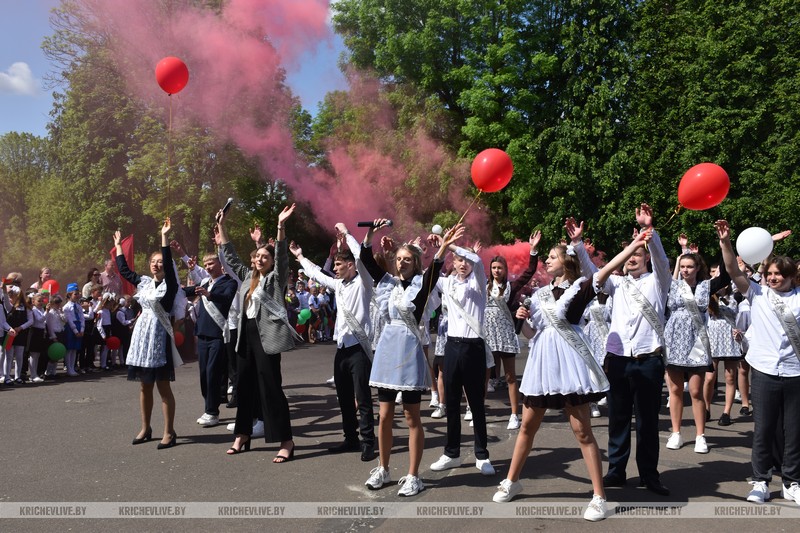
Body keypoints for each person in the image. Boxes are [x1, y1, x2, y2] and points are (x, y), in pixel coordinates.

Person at [493, 224, 652, 522]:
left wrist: (634, 244)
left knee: (582, 432)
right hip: (542, 365)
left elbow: (611, 266)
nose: (546, 262)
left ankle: (598, 496)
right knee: (527, 426)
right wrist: (521, 319)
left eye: (551, 257)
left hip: (570, 366)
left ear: (565, 262)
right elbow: (532, 334)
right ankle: (512, 481)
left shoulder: (581, 286)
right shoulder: (539, 295)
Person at [359, 220, 464, 496]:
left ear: (415, 264)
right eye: (399, 259)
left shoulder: (422, 284)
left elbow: (437, 267)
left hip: (408, 350)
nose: (402, 263)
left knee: (411, 416)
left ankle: (413, 475)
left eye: (407, 259)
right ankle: (383, 468)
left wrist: (443, 246)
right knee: (383, 416)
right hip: (386, 350)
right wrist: (371, 233)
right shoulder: (386, 285)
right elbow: (366, 258)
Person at [716, 220, 800, 505]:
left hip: (795, 373)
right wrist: (726, 243)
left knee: (793, 431)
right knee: (763, 429)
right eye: (771, 273)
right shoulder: (758, 293)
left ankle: (791, 482)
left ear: (791, 277)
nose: (773, 278)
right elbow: (731, 270)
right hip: (764, 371)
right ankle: (761, 481)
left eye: (780, 274)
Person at [597, 204, 672, 496]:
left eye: (637, 254)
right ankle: (616, 471)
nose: (632, 258)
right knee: (617, 420)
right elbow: (595, 275)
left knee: (647, 423)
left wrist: (647, 234)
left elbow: (663, 262)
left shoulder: (657, 282)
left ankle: (649, 476)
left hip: (648, 362)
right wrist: (578, 246)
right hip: (618, 361)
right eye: (630, 255)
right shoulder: (616, 284)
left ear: (645, 259)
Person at [290, 222, 377, 462]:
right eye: (335, 264)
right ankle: (351, 438)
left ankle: (369, 442)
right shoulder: (338, 284)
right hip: (341, 350)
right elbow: (317, 273)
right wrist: (300, 257)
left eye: (339, 265)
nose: (335, 269)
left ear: (351, 265)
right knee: (344, 397)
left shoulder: (364, 282)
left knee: (364, 398)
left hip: (359, 349)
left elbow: (362, 257)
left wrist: (348, 235)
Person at [218, 204, 297, 462]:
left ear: (272, 261)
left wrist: (280, 226)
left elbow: (284, 256)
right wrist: (222, 226)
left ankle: (286, 441)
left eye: (265, 256)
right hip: (246, 338)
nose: (259, 259)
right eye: (257, 256)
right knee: (244, 387)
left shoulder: (275, 279)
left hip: (267, 339)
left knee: (271, 388)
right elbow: (230, 257)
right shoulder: (247, 278)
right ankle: (242, 435)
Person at [429, 229, 496, 477]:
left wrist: (452, 246)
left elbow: (478, 261)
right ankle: (452, 453)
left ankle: (482, 454)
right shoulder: (446, 283)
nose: (463, 264)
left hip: (474, 347)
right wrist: (437, 248)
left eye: (465, 260)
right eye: (458, 261)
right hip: (452, 347)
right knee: (452, 402)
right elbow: (430, 274)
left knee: (476, 403)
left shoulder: (478, 283)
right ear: (452, 263)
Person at [115, 219, 185, 449]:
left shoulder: (171, 285)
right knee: (144, 385)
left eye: (160, 262)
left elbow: (167, 262)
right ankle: (145, 428)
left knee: (163, 386)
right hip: (142, 338)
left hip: (160, 337)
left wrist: (164, 237)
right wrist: (118, 246)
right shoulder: (144, 282)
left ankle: (169, 431)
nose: (156, 265)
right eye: (153, 262)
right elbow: (124, 271)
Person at [664, 242, 729, 453]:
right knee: (674, 390)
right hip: (674, 342)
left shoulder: (706, 286)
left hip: (697, 343)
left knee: (695, 391)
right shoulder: (672, 285)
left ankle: (701, 435)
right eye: (682, 266)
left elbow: (726, 275)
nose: (685, 270)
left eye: (689, 267)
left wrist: (723, 245)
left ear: (697, 268)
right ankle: (676, 432)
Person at [484, 232, 541, 429]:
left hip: (506, 335)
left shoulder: (511, 286)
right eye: (493, 268)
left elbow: (529, 272)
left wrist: (533, 250)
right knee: (485, 376)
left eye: (499, 268)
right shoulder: (483, 286)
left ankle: (514, 415)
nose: (496, 270)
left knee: (509, 376)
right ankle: (477, 411)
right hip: (488, 335)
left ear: (505, 269)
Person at [183, 253, 238, 428]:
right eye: (205, 264)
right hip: (203, 333)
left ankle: (212, 412)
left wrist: (209, 294)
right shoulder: (204, 282)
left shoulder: (229, 282)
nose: (207, 266)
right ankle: (209, 408)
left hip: (218, 334)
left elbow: (226, 298)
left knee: (213, 372)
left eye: (211, 263)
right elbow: (184, 292)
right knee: (204, 375)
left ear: (220, 264)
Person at [62, 284, 84, 377]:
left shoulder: (78, 306)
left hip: (79, 326)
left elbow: (82, 318)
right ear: (69, 295)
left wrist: (82, 329)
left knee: (75, 349)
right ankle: (69, 368)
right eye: (75, 294)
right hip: (71, 328)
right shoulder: (66, 307)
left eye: (78, 294)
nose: (77, 296)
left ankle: (72, 367)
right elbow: (69, 320)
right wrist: (75, 331)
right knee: (69, 349)